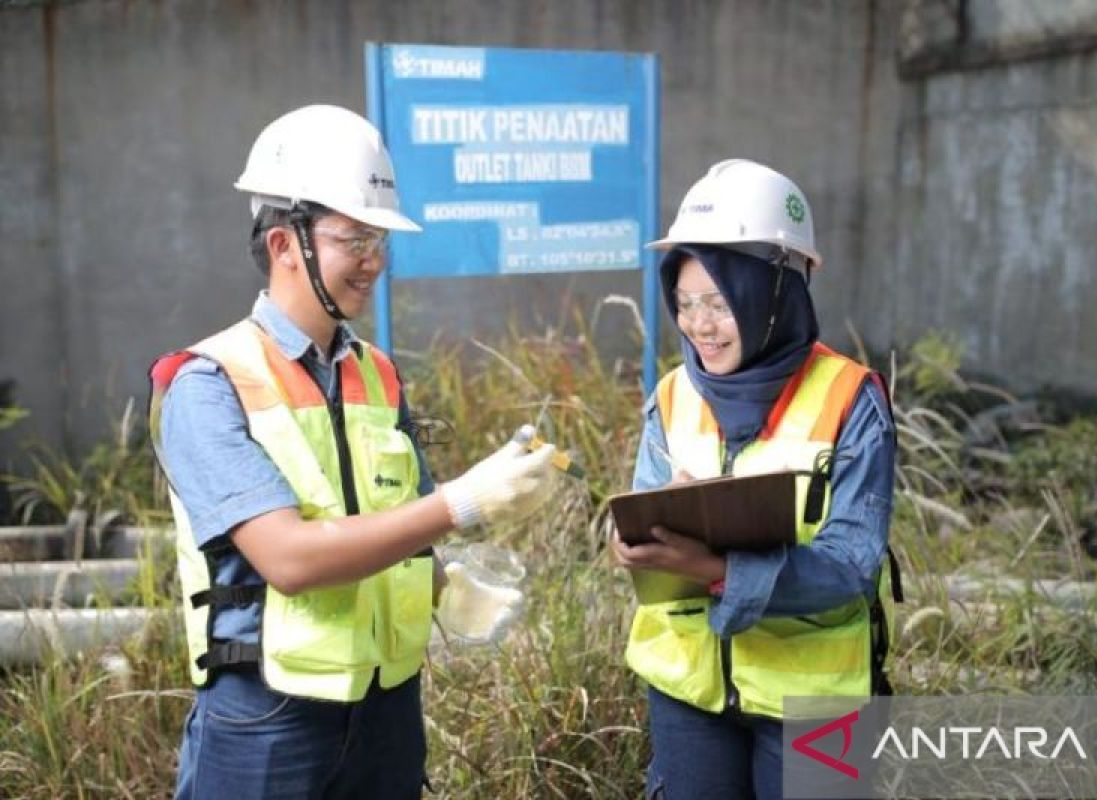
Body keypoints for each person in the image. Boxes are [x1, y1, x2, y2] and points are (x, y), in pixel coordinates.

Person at [148, 104, 560, 799]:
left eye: (380, 241)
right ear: (284, 245)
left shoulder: (377, 373)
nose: (374, 262)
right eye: (354, 240)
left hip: (386, 710)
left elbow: (400, 527)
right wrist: (462, 501)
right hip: (267, 717)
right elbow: (290, 559)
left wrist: (451, 586)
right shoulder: (209, 383)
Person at [612, 159, 901, 800]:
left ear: (773, 293)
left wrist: (719, 568)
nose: (699, 326)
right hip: (689, 691)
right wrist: (639, 546)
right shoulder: (672, 395)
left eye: (720, 303)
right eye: (685, 304)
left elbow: (852, 565)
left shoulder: (852, 399)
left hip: (813, 702)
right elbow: (646, 534)